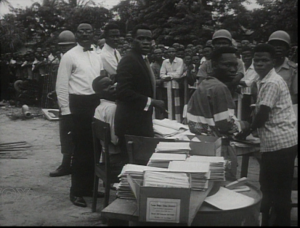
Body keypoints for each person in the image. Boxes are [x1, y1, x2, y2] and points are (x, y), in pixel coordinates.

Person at [236, 44, 298, 226]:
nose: (260, 63)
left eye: (265, 60)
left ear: (273, 62)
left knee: (274, 190)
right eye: (256, 60)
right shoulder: (263, 79)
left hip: (279, 143)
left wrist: (245, 131)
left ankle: (278, 222)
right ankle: (274, 221)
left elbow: (262, 115)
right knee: (275, 189)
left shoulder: (271, 82)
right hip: (279, 142)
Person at [56, 22, 105, 208]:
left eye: (89, 31)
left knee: (96, 148)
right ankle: (76, 191)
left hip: (95, 103)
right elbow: (61, 86)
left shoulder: (97, 54)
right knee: (81, 150)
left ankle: (90, 188)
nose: (85, 34)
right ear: (76, 34)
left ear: (94, 34)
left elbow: (100, 80)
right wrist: (67, 113)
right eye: (81, 31)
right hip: (78, 105)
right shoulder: (69, 57)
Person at [187, 47, 249, 179]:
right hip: (218, 150)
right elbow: (226, 125)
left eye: (235, 65)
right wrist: (245, 125)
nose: (233, 69)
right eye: (227, 65)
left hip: (200, 146)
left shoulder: (205, 84)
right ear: (214, 65)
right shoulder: (220, 88)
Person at [114, 24, 166, 162]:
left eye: (149, 39)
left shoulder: (142, 59)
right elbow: (122, 92)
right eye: (141, 38)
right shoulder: (129, 60)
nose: (145, 42)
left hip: (140, 122)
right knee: (133, 165)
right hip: (131, 125)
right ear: (132, 40)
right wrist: (151, 102)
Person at [49, 30, 76, 177]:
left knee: (72, 134)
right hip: (65, 100)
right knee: (66, 134)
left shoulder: (78, 57)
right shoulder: (63, 58)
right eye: (63, 46)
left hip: (77, 101)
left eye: (69, 46)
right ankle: (66, 164)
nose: (66, 49)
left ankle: (68, 164)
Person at [197, 29, 245, 98]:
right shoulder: (207, 64)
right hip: (210, 98)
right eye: (218, 43)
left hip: (231, 97)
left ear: (230, 44)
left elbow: (236, 80)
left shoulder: (237, 61)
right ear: (213, 45)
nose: (221, 46)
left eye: (224, 43)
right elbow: (201, 83)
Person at [92, 76, 123, 181]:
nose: (112, 87)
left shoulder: (100, 107)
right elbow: (115, 140)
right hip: (116, 157)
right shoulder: (112, 108)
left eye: (111, 83)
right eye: (106, 86)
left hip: (107, 154)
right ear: (98, 93)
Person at [268, 30, 298, 104]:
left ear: (287, 49)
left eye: (281, 45)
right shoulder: (265, 66)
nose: (278, 47)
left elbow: (295, 96)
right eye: (275, 45)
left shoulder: (293, 69)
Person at [160, 47, 184, 122]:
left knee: (178, 103)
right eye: (169, 52)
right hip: (167, 86)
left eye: (173, 51)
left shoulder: (180, 60)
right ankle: (170, 119)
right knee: (169, 103)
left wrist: (169, 76)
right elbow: (162, 74)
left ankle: (178, 120)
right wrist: (171, 76)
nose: (171, 53)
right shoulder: (165, 61)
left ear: (175, 53)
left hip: (177, 86)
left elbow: (179, 74)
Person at [238, 47, 259, 122]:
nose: (246, 58)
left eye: (248, 56)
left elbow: (248, 83)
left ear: (252, 56)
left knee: (249, 117)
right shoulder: (240, 65)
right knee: (239, 116)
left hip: (251, 96)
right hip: (240, 95)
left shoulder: (256, 67)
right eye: (244, 56)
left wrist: (236, 80)